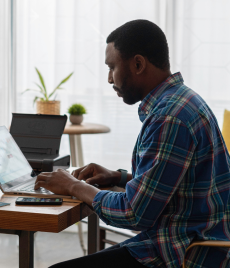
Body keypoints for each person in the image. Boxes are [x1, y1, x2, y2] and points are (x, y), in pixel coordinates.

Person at [35, 20, 230, 268]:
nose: (109, 78)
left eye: (112, 67)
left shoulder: (169, 117)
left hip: (183, 253)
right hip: (187, 240)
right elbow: (173, 185)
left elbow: (134, 213)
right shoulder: (183, 100)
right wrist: (119, 177)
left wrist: (74, 186)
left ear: (138, 64)